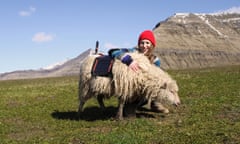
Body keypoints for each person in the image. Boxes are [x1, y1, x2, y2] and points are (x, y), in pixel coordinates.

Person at [108, 30, 169, 113]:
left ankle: (155, 103)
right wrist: (128, 60)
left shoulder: (155, 60)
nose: (144, 46)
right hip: (131, 89)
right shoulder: (133, 52)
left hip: (144, 89)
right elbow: (113, 51)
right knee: (128, 112)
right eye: (142, 43)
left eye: (147, 43)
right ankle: (129, 105)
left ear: (152, 45)